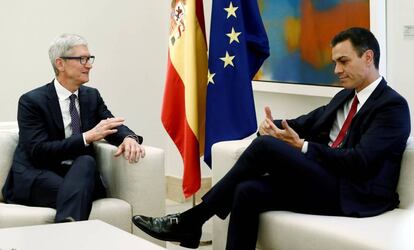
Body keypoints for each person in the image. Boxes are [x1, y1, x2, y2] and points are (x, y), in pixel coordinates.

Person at [132, 27, 411, 249]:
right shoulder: (344, 98)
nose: (336, 70)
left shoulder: (392, 106)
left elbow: (360, 162)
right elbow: (304, 123)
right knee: (248, 190)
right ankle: (192, 226)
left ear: (368, 57)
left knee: (266, 148)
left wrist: (302, 146)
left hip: (357, 193)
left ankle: (192, 220)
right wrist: (272, 126)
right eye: (335, 62)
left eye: (343, 61)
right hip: (328, 181)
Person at [2, 34, 145, 223]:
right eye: (82, 59)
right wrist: (86, 137)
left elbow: (111, 124)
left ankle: (66, 233)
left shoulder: (91, 96)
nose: (89, 65)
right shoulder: (31, 101)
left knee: (86, 161)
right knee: (78, 191)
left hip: (79, 173)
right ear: (60, 64)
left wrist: (129, 138)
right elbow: (38, 151)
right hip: (39, 174)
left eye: (89, 59)